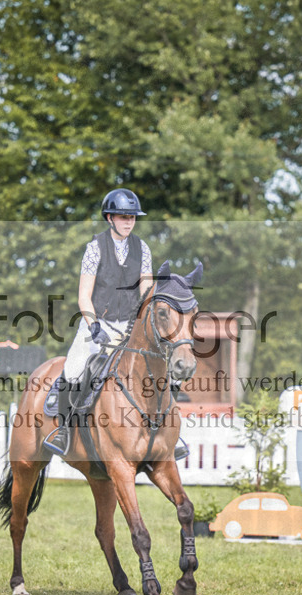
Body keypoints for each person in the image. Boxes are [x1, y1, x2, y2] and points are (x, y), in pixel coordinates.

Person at [43, 188, 187, 460]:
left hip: (129, 326)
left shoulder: (142, 248)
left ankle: (171, 435)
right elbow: (84, 294)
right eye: (123, 216)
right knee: (74, 368)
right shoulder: (95, 248)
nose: (129, 221)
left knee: (160, 368)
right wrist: (92, 324)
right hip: (97, 322)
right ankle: (62, 431)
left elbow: (145, 290)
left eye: (132, 217)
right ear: (109, 218)